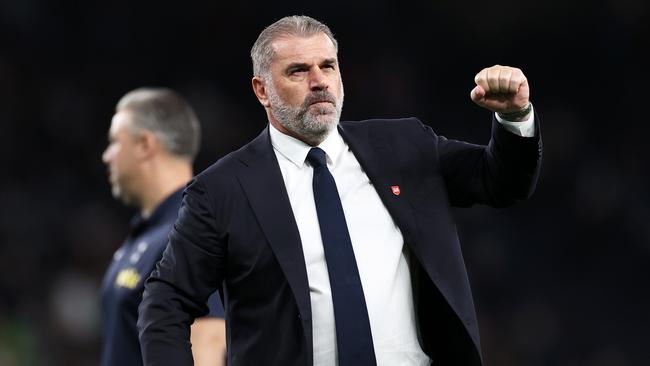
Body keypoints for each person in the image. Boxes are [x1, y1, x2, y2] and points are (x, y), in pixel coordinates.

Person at [137, 15, 542, 366]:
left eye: (327, 66)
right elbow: (166, 301)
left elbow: (500, 183)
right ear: (262, 90)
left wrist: (515, 117)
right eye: (298, 71)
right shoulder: (222, 189)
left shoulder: (404, 146)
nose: (319, 82)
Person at [100, 87, 226, 366]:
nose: (106, 156)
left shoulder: (195, 230)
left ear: (145, 145)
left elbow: (208, 343)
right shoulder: (148, 233)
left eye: (114, 142)